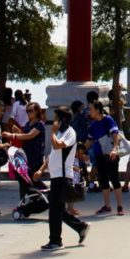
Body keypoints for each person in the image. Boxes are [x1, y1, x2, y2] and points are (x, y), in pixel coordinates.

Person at [41, 107, 89, 251]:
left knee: (54, 209)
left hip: (62, 175)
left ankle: (56, 241)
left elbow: (57, 146)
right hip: (56, 174)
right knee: (57, 208)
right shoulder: (61, 132)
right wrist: (41, 169)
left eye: (56, 118)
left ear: (62, 120)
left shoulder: (69, 133)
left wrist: (53, 132)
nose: (54, 122)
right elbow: (52, 155)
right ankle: (80, 227)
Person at [87, 101, 124, 216]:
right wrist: (80, 150)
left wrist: (115, 149)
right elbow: (90, 140)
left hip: (110, 154)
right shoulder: (92, 125)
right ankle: (107, 206)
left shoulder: (108, 120)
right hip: (99, 154)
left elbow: (115, 134)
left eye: (91, 109)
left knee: (114, 179)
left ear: (98, 110)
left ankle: (119, 206)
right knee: (103, 180)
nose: (89, 112)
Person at [6, 102, 45, 198]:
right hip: (25, 155)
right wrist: (18, 131)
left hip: (35, 156)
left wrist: (13, 135)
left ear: (37, 111)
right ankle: (25, 201)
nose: (28, 113)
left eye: (31, 111)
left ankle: (47, 195)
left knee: (32, 179)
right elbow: (25, 134)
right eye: (27, 111)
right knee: (24, 180)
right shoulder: (28, 123)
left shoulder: (39, 124)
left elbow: (29, 136)